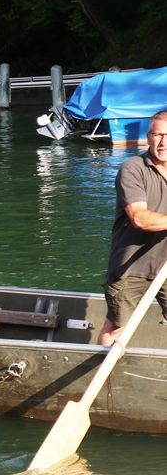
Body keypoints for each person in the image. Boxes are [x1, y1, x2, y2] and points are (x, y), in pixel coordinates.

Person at [98, 110, 167, 346]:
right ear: (148, 137)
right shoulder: (133, 168)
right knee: (116, 327)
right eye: (157, 135)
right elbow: (140, 219)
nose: (163, 142)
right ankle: (99, 375)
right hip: (132, 266)